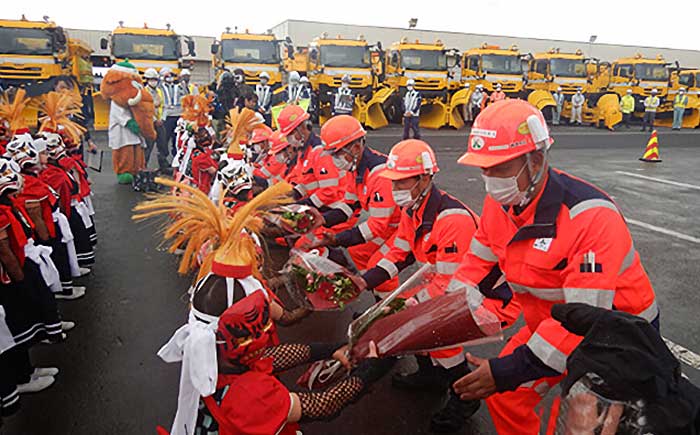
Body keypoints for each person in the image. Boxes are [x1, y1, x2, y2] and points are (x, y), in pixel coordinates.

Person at [449, 99, 659, 434]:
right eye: (483, 169)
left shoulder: (590, 217)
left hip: (615, 340)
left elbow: (586, 320)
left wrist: (507, 370)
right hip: (550, 322)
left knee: (577, 425)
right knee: (506, 397)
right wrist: (448, 313)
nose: (489, 180)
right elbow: (478, 262)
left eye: (499, 168)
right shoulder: (500, 204)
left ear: (535, 160)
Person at [359, 139, 488, 432]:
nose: (396, 190)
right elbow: (399, 253)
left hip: (482, 293)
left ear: (425, 178)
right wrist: (364, 281)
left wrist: (408, 307)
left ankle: (463, 395)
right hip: (450, 285)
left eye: (403, 182)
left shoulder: (452, 220)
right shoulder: (413, 211)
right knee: (414, 316)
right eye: (394, 182)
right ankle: (431, 375)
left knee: (433, 329)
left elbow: (451, 285)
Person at [307, 115, 401, 296]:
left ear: (356, 148)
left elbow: (376, 226)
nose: (334, 160)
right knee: (359, 251)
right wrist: (322, 220)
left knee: (380, 263)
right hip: (390, 226)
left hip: (404, 228)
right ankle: (378, 298)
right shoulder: (355, 168)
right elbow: (348, 207)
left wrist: (338, 239)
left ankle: (389, 308)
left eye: (336, 154)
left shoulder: (380, 175)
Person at [143, 68, 169, 171]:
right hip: (149, 123)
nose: (153, 81)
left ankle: (163, 165)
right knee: (148, 146)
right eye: (151, 79)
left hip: (160, 122)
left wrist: (162, 119)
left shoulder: (159, 91)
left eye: (155, 79)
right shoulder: (144, 92)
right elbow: (144, 108)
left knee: (163, 144)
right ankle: (143, 166)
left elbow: (164, 105)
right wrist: (154, 120)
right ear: (147, 80)